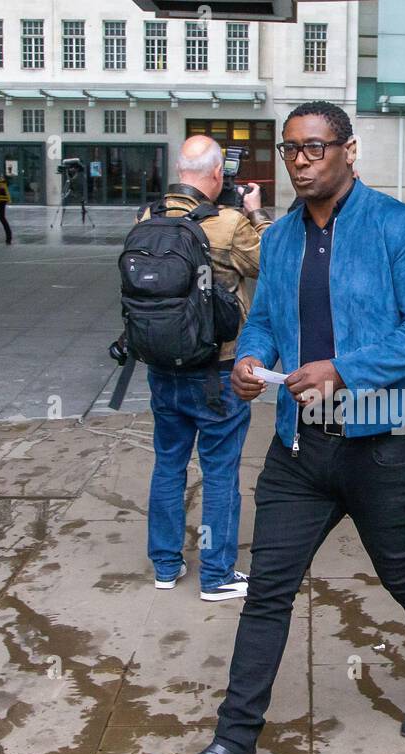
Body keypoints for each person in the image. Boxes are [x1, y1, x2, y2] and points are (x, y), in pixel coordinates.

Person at [149, 101, 405, 754]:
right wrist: (249, 360)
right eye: (291, 150)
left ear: (349, 151)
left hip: (383, 444)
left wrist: (346, 368)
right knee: (268, 593)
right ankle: (234, 744)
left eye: (315, 147)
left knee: (403, 573)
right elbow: (261, 321)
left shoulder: (396, 227)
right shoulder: (281, 238)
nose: (301, 161)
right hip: (299, 448)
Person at [139, 135, 273, 601]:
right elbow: (273, 262)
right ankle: (217, 574)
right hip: (219, 370)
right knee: (219, 472)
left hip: (161, 368)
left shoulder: (148, 218)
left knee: (168, 466)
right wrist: (256, 211)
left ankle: (165, 565)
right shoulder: (230, 223)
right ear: (218, 174)